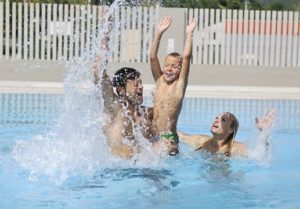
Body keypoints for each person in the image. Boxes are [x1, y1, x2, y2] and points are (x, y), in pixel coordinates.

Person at [93, 14, 154, 159]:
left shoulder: (143, 115)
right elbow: (98, 72)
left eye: (141, 84)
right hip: (114, 172)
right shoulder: (114, 105)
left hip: (136, 168)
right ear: (121, 89)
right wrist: (105, 34)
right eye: (136, 84)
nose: (141, 88)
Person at [150, 16, 197, 155]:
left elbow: (187, 56)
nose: (169, 69)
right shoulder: (159, 81)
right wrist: (158, 33)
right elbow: (153, 57)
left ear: (180, 69)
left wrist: (189, 34)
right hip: (154, 135)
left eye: (174, 66)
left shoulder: (179, 85)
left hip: (168, 137)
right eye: (167, 65)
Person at [178, 109, 277, 157]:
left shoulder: (236, 148)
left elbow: (260, 155)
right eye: (216, 118)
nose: (216, 120)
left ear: (230, 130)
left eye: (223, 120)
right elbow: (176, 135)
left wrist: (264, 133)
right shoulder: (200, 141)